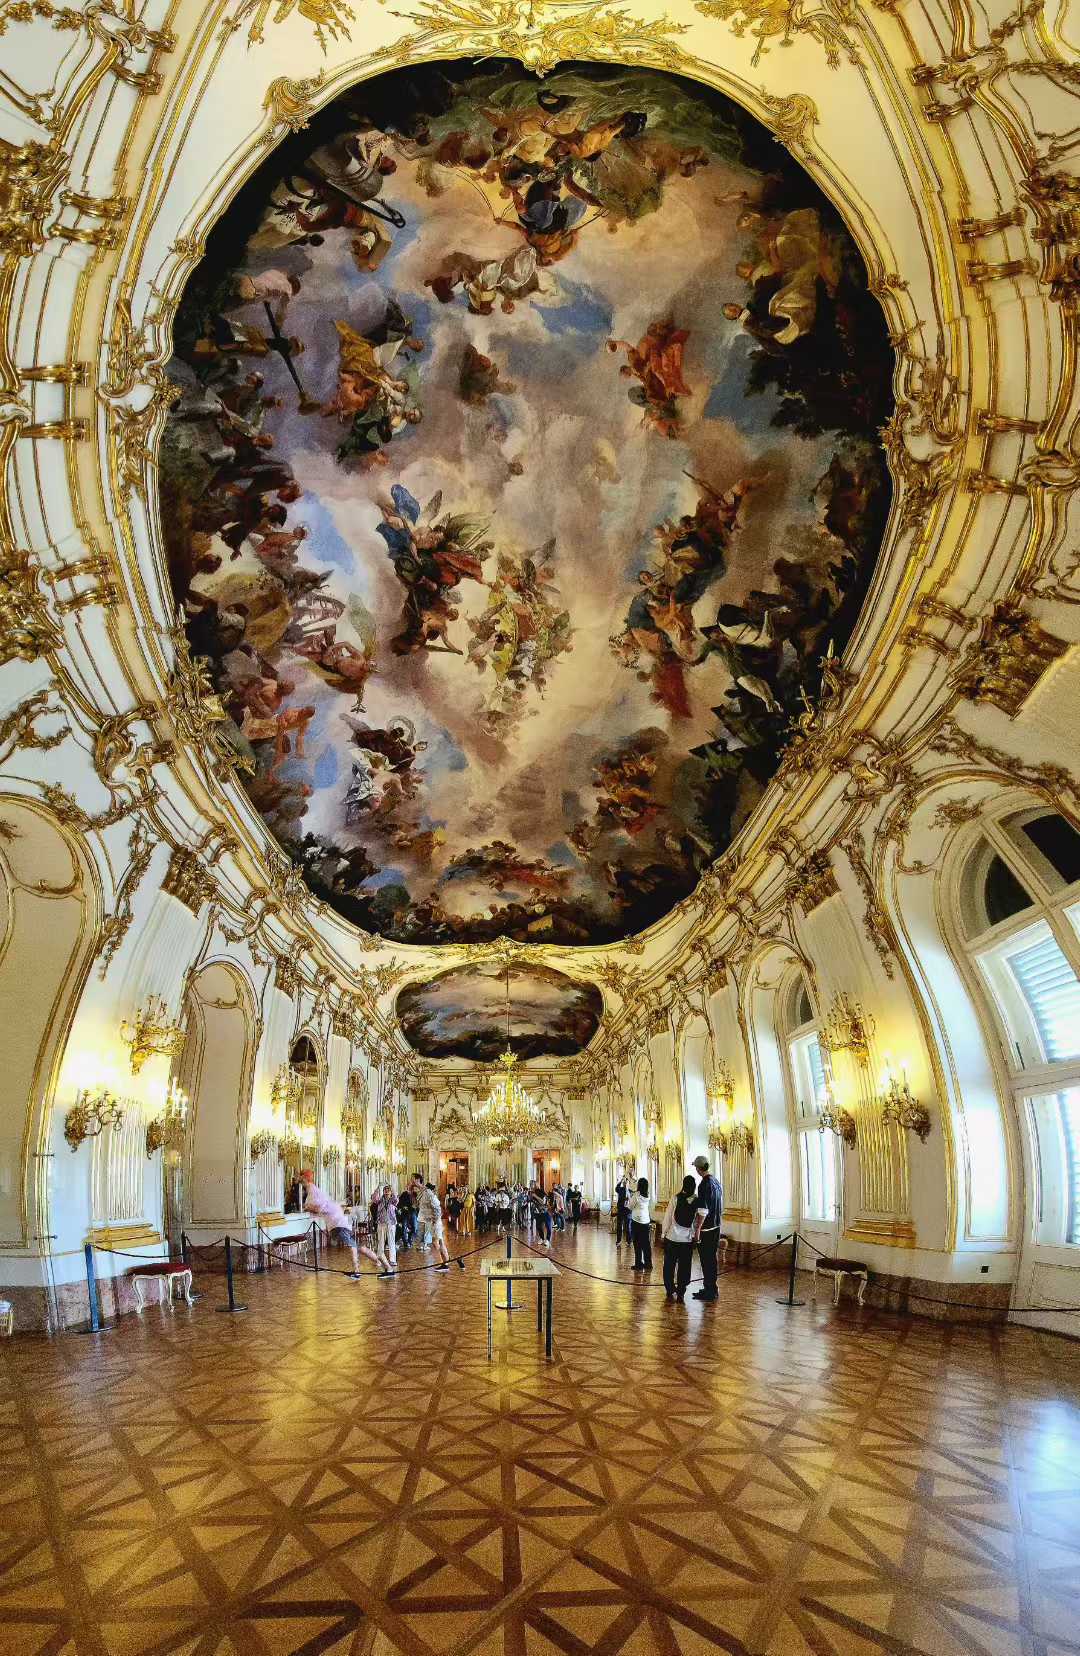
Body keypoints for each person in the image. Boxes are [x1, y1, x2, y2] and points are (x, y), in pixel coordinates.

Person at [298, 1169, 390, 1277]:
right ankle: (379, 1263)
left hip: (338, 1222)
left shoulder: (312, 1190)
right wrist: (310, 1208)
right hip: (338, 1221)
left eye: (301, 1176)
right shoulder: (311, 1190)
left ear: (305, 1178)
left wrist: (308, 1208)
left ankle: (358, 1270)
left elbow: (319, 1208)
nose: (299, 1179)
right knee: (357, 1246)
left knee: (353, 1245)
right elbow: (320, 1209)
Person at [691, 1154, 724, 1302]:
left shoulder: (704, 1184)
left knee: (706, 1260)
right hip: (716, 1226)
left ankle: (710, 1290)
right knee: (712, 1259)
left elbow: (703, 1211)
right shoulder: (716, 1182)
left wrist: (698, 1229)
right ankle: (711, 1287)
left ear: (698, 1169)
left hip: (706, 1228)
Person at [662, 1174, 698, 1303]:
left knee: (669, 1266)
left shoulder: (675, 1198)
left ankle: (669, 1289)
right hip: (687, 1240)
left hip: (672, 1237)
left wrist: (663, 1234)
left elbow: (668, 1217)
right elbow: (696, 1222)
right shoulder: (697, 1200)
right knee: (684, 1267)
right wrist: (694, 1236)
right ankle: (681, 1291)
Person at [415, 1179, 450, 1270]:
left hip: (435, 1222)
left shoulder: (430, 1195)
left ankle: (445, 1262)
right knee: (438, 1242)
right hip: (432, 1221)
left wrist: (435, 1219)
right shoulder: (426, 1194)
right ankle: (445, 1261)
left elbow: (437, 1208)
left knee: (437, 1242)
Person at [630, 1177, 653, 1272]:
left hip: (636, 1222)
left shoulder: (636, 1195)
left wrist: (631, 1197)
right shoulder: (648, 1195)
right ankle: (648, 1264)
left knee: (637, 1244)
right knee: (646, 1244)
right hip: (646, 1221)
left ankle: (638, 1264)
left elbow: (630, 1206)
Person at [375, 1183, 397, 1271]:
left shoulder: (393, 1200)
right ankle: (379, 1259)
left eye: (388, 1190)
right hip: (381, 1223)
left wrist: (392, 1188)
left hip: (391, 1223)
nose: (387, 1191)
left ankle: (392, 1260)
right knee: (380, 1242)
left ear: (391, 1192)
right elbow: (374, 1198)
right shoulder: (380, 1200)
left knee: (391, 1241)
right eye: (385, 1190)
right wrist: (378, 1188)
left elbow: (396, 1198)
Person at [397, 1184, 416, 1249]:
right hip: (405, 1213)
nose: (408, 1188)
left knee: (414, 1227)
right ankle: (405, 1243)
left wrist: (416, 1206)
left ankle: (410, 1240)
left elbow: (417, 1203)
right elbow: (399, 1203)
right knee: (404, 1228)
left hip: (413, 1212)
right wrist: (403, 1207)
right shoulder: (404, 1194)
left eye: (410, 1187)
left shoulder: (415, 1194)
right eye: (407, 1187)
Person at [614, 1175, 630, 1247]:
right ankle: (618, 1241)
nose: (625, 1183)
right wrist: (621, 1180)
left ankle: (628, 1241)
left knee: (627, 1226)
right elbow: (616, 1188)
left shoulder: (630, 1191)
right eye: (624, 1182)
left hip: (627, 1210)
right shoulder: (620, 1189)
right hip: (620, 1209)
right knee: (619, 1226)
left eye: (626, 1181)